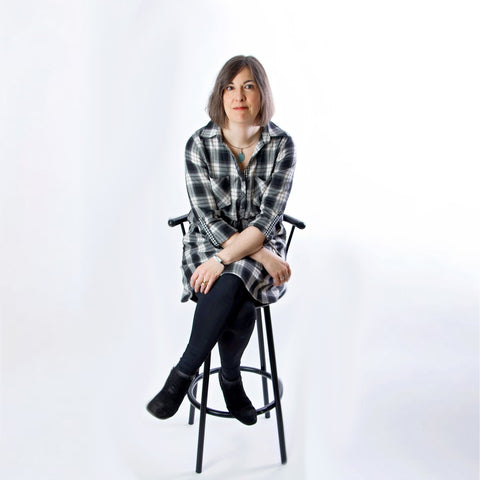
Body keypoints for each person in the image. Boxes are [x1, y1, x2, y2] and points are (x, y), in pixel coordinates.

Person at [147, 55, 296, 425]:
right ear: (220, 94)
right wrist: (238, 256)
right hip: (209, 242)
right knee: (237, 279)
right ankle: (231, 379)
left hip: (258, 244)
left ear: (262, 93)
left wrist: (234, 258)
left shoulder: (282, 145)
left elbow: (268, 219)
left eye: (248, 86)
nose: (238, 95)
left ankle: (181, 375)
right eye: (230, 86)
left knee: (233, 279)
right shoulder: (199, 144)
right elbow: (206, 218)